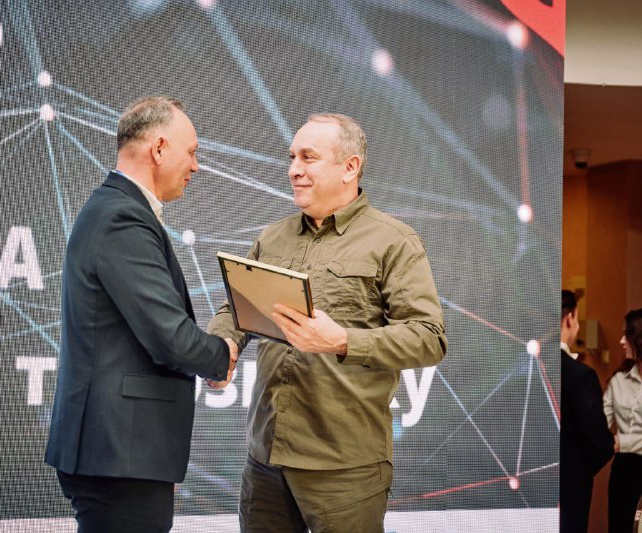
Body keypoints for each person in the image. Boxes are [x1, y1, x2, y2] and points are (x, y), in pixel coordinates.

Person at [207, 113, 447, 532]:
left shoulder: (394, 241)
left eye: (308, 157)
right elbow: (235, 311)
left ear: (350, 167)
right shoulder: (272, 237)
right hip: (264, 462)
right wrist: (222, 345)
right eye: (292, 157)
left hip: (345, 470)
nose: (293, 169)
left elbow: (429, 338)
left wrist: (342, 341)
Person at [45, 96, 238, 532]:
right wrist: (221, 355)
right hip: (118, 456)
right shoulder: (123, 218)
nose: (196, 166)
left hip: (118, 455)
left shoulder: (114, 209)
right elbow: (170, 336)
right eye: (192, 152)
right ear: (159, 149)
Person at [559, 290, 614, 533]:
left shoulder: (520, 370)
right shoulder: (581, 376)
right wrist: (577, 469)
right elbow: (599, 443)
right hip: (569, 492)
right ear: (570, 318)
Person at [604, 308, 642, 533]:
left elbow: (617, 441)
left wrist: (622, 441)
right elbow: (599, 424)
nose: (621, 341)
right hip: (623, 471)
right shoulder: (618, 381)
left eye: (626, 335)